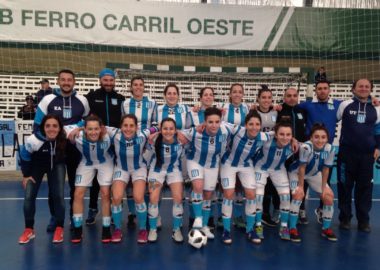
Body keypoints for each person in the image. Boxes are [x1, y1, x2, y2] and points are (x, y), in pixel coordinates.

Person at [34, 69, 90, 232]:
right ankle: (55, 217)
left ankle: (75, 216)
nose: (66, 82)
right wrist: (48, 140)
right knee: (55, 187)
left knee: (75, 185)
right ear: (58, 81)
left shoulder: (82, 100)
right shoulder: (47, 99)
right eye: (63, 80)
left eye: (69, 80)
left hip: (75, 150)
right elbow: (37, 126)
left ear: (74, 82)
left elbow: (88, 121)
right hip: (54, 150)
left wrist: (78, 128)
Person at [336, 78, 380, 233]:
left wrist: (378, 147)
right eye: (360, 86)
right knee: (344, 187)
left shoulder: (377, 108)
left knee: (365, 188)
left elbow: (378, 130)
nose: (363, 88)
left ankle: (363, 220)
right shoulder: (345, 105)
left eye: (367, 86)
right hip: (346, 154)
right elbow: (332, 120)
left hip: (367, 156)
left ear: (370, 89)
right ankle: (345, 218)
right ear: (353, 89)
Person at [220, 110, 270, 244]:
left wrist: (293, 139)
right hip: (229, 164)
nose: (254, 127)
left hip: (246, 165)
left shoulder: (263, 136)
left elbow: (278, 134)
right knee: (229, 194)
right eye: (251, 124)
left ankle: (250, 230)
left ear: (260, 126)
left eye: (257, 124)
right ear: (246, 125)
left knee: (251, 195)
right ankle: (226, 230)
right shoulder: (237, 130)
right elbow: (220, 123)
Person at [182, 107, 231, 240]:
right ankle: (197, 219)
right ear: (205, 121)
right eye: (210, 122)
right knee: (198, 186)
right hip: (195, 162)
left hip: (213, 165)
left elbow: (244, 130)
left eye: (217, 121)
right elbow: (177, 133)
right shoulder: (195, 131)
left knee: (208, 194)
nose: (214, 125)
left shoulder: (226, 129)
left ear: (220, 121)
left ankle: (203, 226)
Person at [108, 114, 159, 244]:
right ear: (120, 127)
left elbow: (157, 127)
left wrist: (156, 132)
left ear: (136, 127)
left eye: (131, 126)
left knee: (138, 197)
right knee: (117, 197)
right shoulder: (114, 133)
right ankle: (118, 229)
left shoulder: (142, 135)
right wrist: (78, 129)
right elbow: (99, 126)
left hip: (138, 169)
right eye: (125, 125)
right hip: (121, 168)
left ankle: (142, 229)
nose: (128, 128)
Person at [84, 68, 125, 226]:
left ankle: (116, 208)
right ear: (100, 80)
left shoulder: (120, 98)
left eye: (111, 80)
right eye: (105, 80)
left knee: (116, 176)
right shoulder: (91, 97)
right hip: (97, 142)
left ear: (114, 81)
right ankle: (93, 208)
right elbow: (85, 118)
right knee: (96, 177)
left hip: (115, 143)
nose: (108, 83)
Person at [297, 80, 341, 223]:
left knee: (325, 181)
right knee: (304, 180)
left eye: (325, 88)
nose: (322, 91)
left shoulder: (337, 104)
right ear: (315, 91)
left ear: (329, 90)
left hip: (326, 150)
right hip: (310, 150)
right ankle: (301, 209)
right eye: (319, 88)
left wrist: (373, 100)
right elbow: (291, 107)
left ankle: (322, 210)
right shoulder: (308, 105)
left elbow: (356, 102)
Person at [18, 115, 66, 244]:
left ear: (60, 128)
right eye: (48, 126)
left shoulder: (64, 138)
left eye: (55, 126)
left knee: (58, 195)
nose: (51, 129)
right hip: (36, 166)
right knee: (29, 195)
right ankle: (29, 229)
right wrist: (26, 175)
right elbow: (24, 155)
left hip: (57, 166)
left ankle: (59, 227)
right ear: (43, 127)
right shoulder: (34, 140)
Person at [66, 115, 114, 243]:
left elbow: (129, 133)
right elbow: (59, 128)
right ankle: (77, 229)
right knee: (78, 194)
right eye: (90, 129)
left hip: (105, 162)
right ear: (85, 129)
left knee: (105, 193)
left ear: (101, 128)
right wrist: (76, 128)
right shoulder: (78, 134)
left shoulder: (109, 132)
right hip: (86, 162)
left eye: (96, 129)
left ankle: (106, 228)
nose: (93, 132)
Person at [288, 124, 337, 242]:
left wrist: (324, 187)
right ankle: (292, 228)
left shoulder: (330, 149)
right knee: (298, 195)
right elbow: (302, 168)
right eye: (316, 137)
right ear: (311, 138)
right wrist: (300, 187)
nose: (320, 140)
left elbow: (326, 169)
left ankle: (326, 229)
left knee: (329, 197)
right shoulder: (306, 147)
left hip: (314, 174)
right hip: (296, 173)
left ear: (327, 138)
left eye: (323, 137)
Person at [122, 76, 156, 228]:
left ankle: (149, 212)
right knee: (130, 180)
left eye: (140, 85)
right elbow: (123, 125)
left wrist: (147, 136)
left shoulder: (152, 103)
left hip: (147, 145)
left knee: (147, 179)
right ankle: (132, 213)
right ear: (131, 87)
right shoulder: (125, 103)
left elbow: (155, 124)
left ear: (144, 87)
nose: (137, 87)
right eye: (135, 85)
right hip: (130, 145)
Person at [254, 122, 294, 241]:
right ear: (275, 135)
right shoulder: (266, 139)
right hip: (260, 168)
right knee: (258, 196)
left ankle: (284, 227)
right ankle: (258, 226)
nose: (285, 137)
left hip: (278, 169)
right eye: (281, 134)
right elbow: (253, 134)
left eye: (288, 135)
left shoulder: (294, 146)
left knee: (286, 197)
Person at [147, 118, 184, 243]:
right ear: (160, 130)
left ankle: (176, 229)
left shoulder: (181, 140)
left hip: (174, 170)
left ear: (175, 130)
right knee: (153, 197)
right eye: (165, 128)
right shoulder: (153, 141)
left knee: (178, 198)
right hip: (155, 171)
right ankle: (152, 229)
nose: (168, 131)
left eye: (171, 129)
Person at [221, 83, 251, 229]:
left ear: (243, 94)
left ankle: (238, 217)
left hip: (242, 152)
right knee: (224, 187)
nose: (237, 94)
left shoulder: (247, 108)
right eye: (234, 92)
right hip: (225, 153)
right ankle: (222, 216)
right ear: (230, 94)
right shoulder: (223, 107)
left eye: (240, 92)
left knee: (239, 188)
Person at [277, 87, 308, 224]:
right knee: (279, 183)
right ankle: (279, 210)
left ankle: (301, 209)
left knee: (302, 182)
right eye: (288, 95)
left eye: (294, 95)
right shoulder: (278, 110)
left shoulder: (302, 111)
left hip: (299, 153)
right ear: (284, 97)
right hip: (283, 153)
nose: (291, 98)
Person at [255, 85, 280, 227]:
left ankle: (269, 212)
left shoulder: (276, 113)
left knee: (271, 186)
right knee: (259, 187)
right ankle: (260, 214)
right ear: (258, 99)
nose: (266, 100)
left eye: (269, 97)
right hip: (257, 154)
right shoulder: (252, 112)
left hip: (272, 154)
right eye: (263, 97)